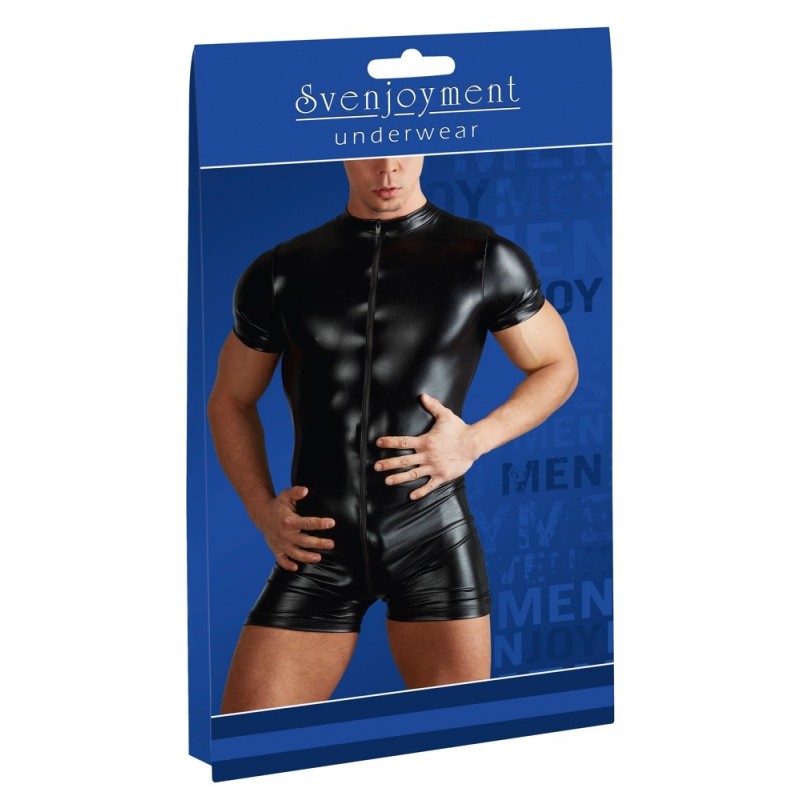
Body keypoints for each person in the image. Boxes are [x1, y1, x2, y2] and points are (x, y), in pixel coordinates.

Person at [207, 156, 578, 713]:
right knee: (250, 740)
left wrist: (474, 440)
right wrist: (262, 511)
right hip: (318, 548)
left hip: (431, 539)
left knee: (458, 743)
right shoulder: (283, 269)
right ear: (343, 152)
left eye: (402, 151)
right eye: (371, 152)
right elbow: (230, 400)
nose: (388, 168)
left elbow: (557, 366)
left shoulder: (482, 256)